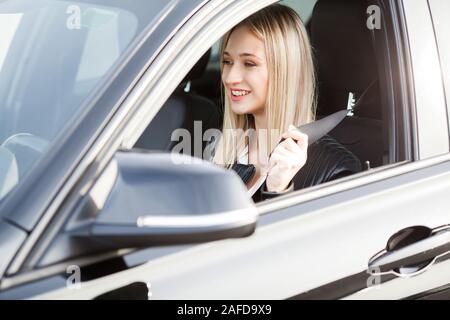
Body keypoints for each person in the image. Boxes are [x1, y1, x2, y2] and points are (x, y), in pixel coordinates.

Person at [211, 4, 317, 201]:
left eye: (249, 63)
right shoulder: (217, 146)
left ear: (285, 71)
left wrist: (278, 191)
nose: (230, 77)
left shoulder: (333, 169)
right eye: (227, 61)